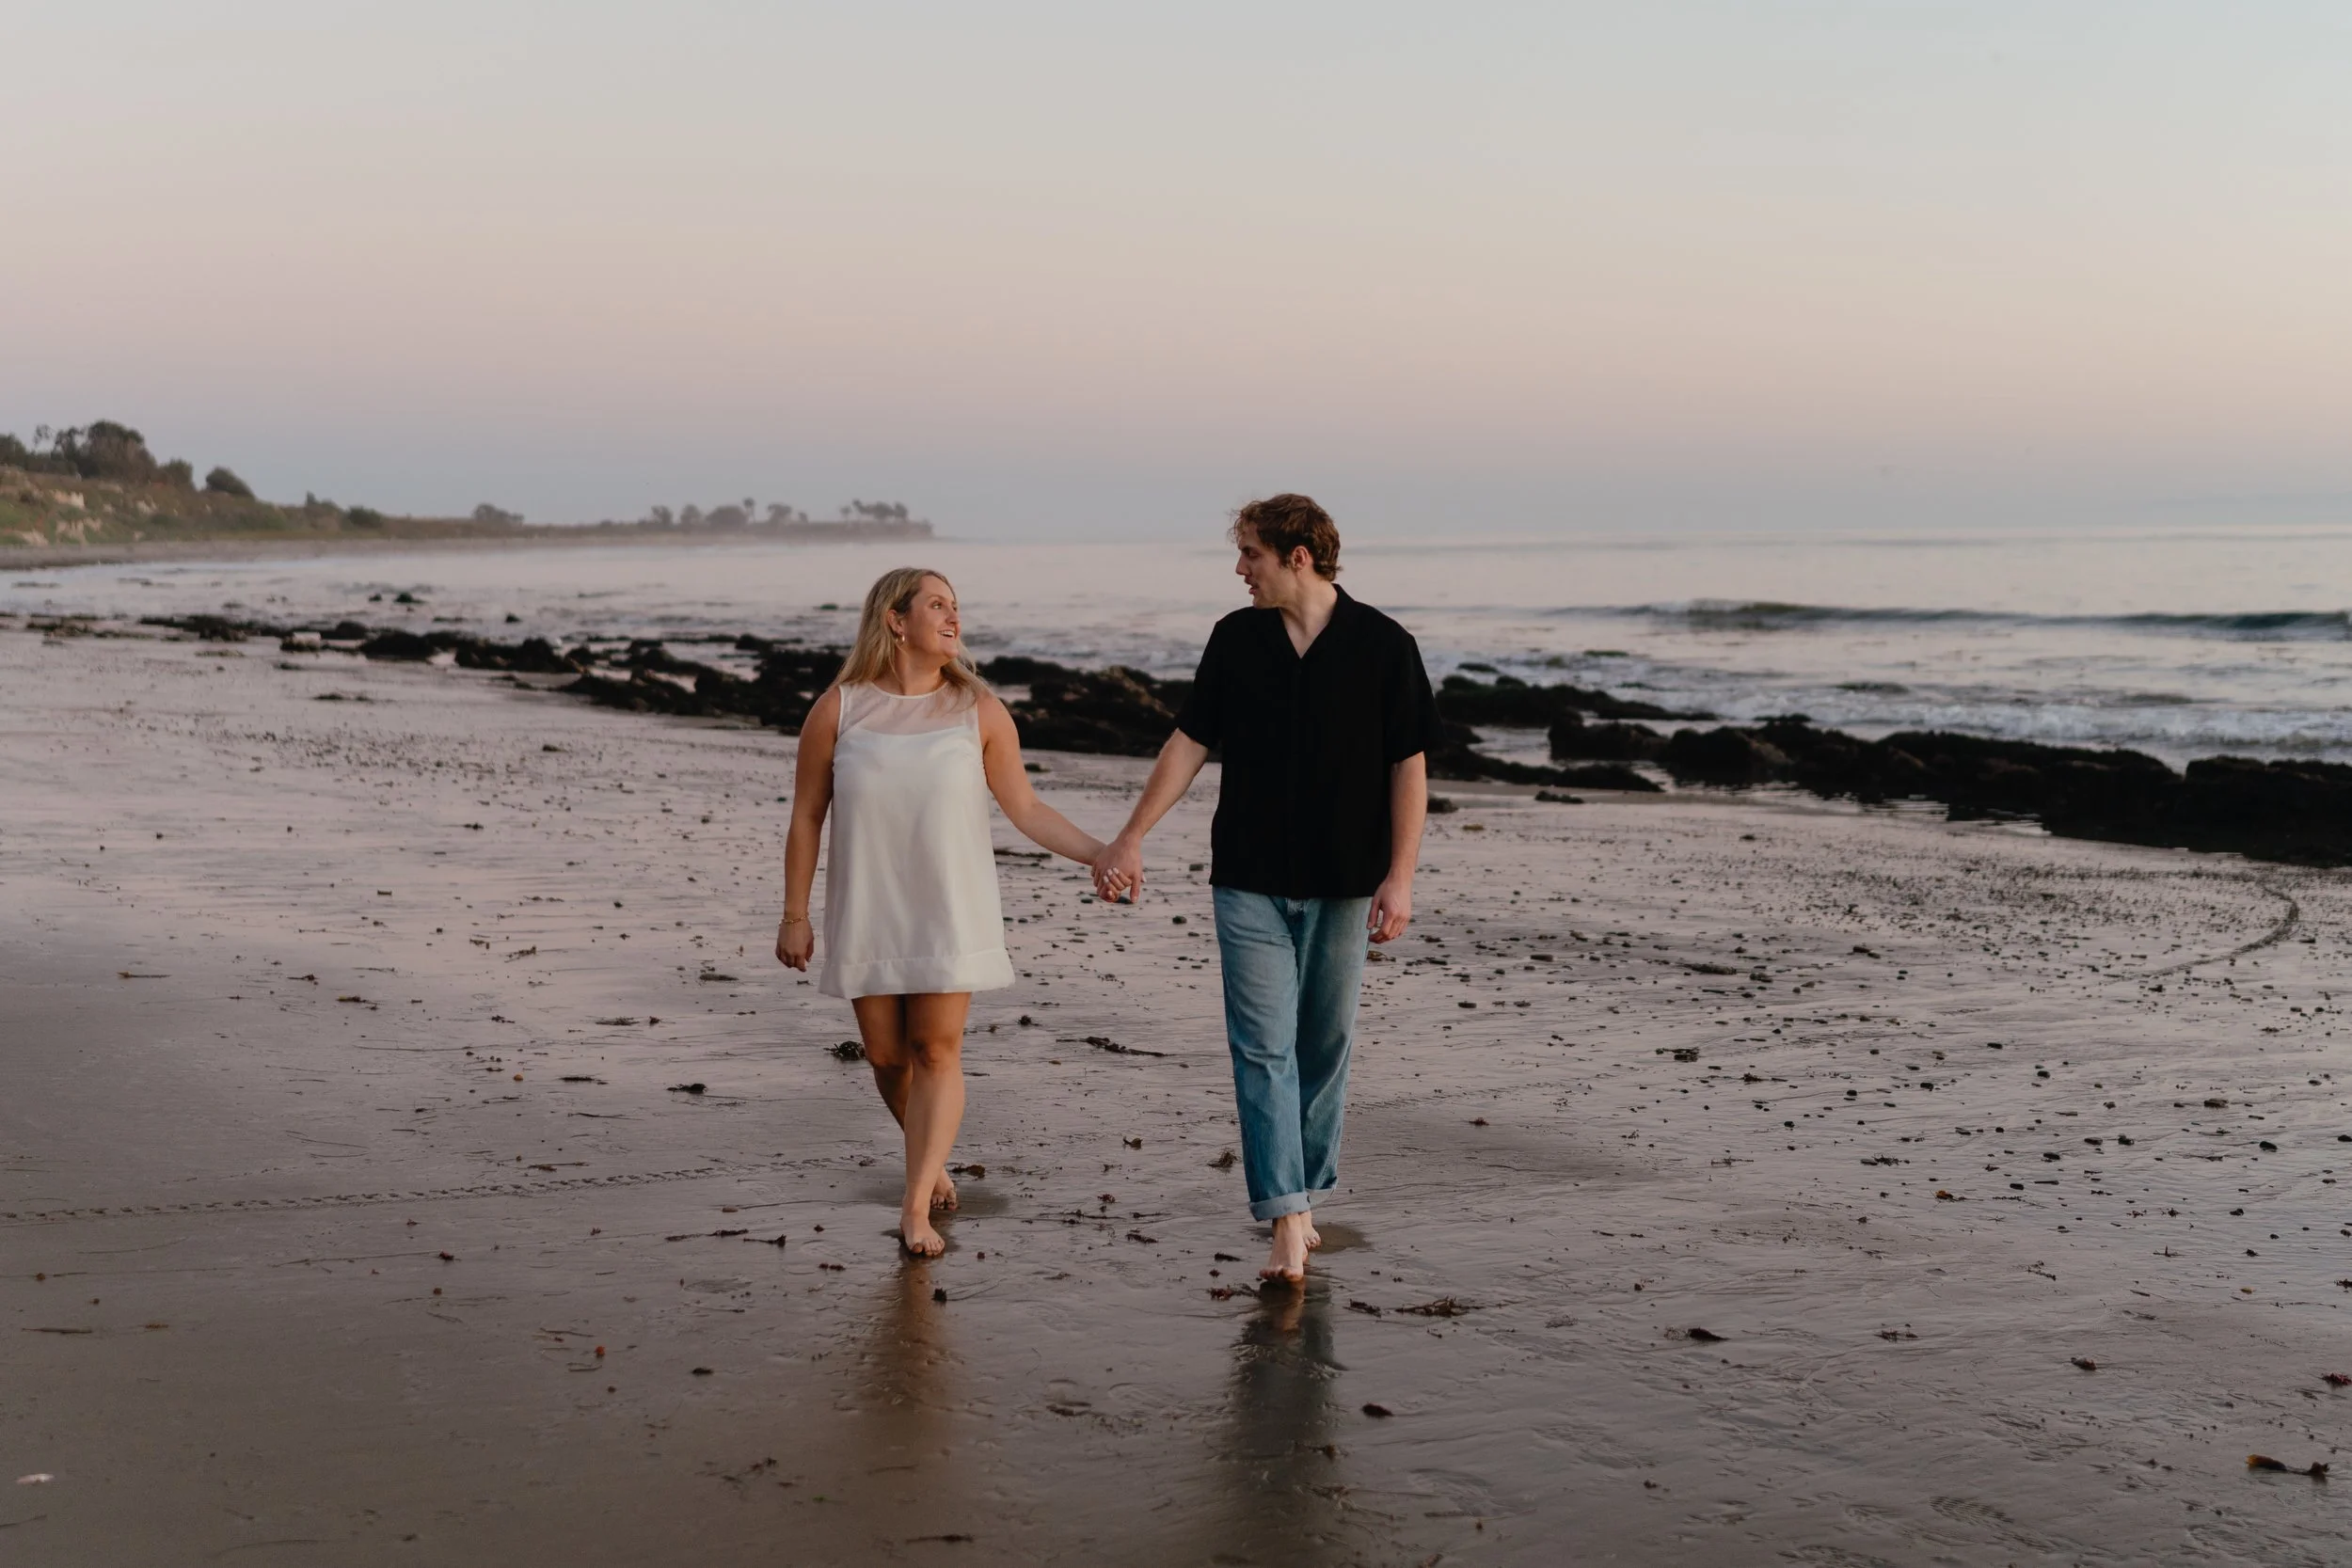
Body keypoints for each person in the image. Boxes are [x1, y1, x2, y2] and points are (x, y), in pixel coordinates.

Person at [1091, 495, 1436, 1283]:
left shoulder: (1385, 646)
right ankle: (1285, 1213)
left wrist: (1401, 876)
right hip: (1246, 875)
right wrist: (1133, 832)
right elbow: (1189, 744)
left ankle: (1304, 1191)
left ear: (1298, 556)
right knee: (1262, 1049)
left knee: (1323, 1046)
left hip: (1347, 880)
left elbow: (1407, 766)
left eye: (1250, 553)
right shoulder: (1235, 639)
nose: (1239, 568)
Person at [778, 567, 1122, 1257]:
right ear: (895, 620)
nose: (953, 615)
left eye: (956, 605)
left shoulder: (979, 709)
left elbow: (1025, 808)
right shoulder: (840, 709)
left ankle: (914, 1205)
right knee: (884, 1055)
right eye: (937, 603)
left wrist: (1099, 851)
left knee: (936, 1049)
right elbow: (808, 815)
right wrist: (795, 913)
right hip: (869, 905)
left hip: (950, 903)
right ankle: (929, 1158)